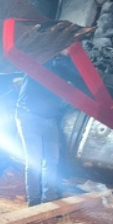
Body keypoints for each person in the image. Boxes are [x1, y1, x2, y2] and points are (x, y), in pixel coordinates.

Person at [15, 51, 83, 206]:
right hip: (29, 115)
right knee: (34, 162)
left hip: (49, 118)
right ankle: (34, 201)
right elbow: (44, 61)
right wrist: (59, 52)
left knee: (52, 160)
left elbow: (78, 80)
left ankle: (49, 198)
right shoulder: (42, 59)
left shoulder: (63, 67)